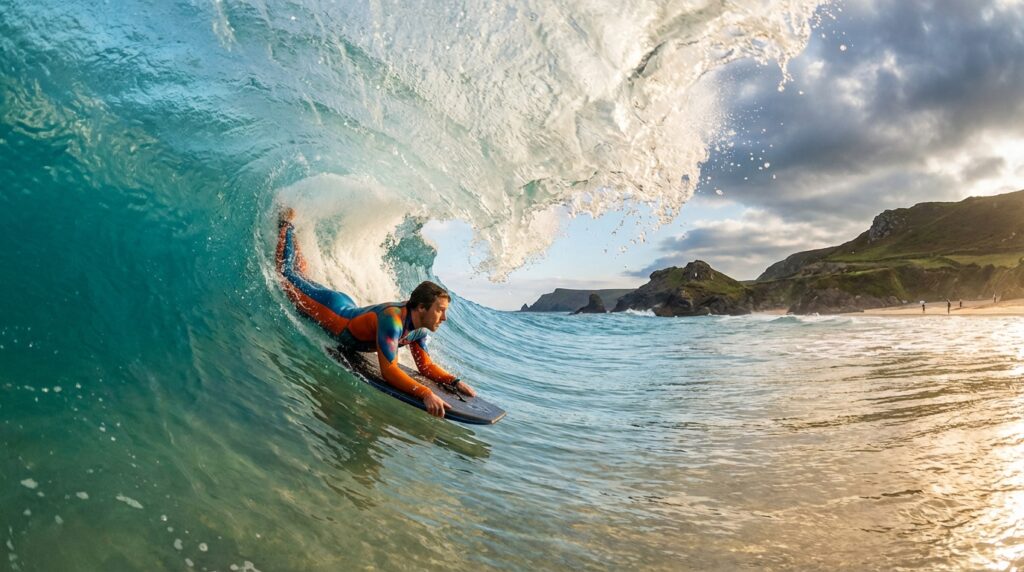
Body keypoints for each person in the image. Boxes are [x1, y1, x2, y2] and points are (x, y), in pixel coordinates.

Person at [275, 208, 475, 418]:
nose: (444, 318)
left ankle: (292, 232)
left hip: (345, 305)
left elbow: (425, 366)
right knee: (286, 274)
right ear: (422, 307)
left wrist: (454, 382)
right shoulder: (392, 320)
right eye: (440, 310)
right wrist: (425, 394)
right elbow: (389, 371)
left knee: (301, 276)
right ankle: (286, 224)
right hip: (331, 311)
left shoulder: (418, 331)